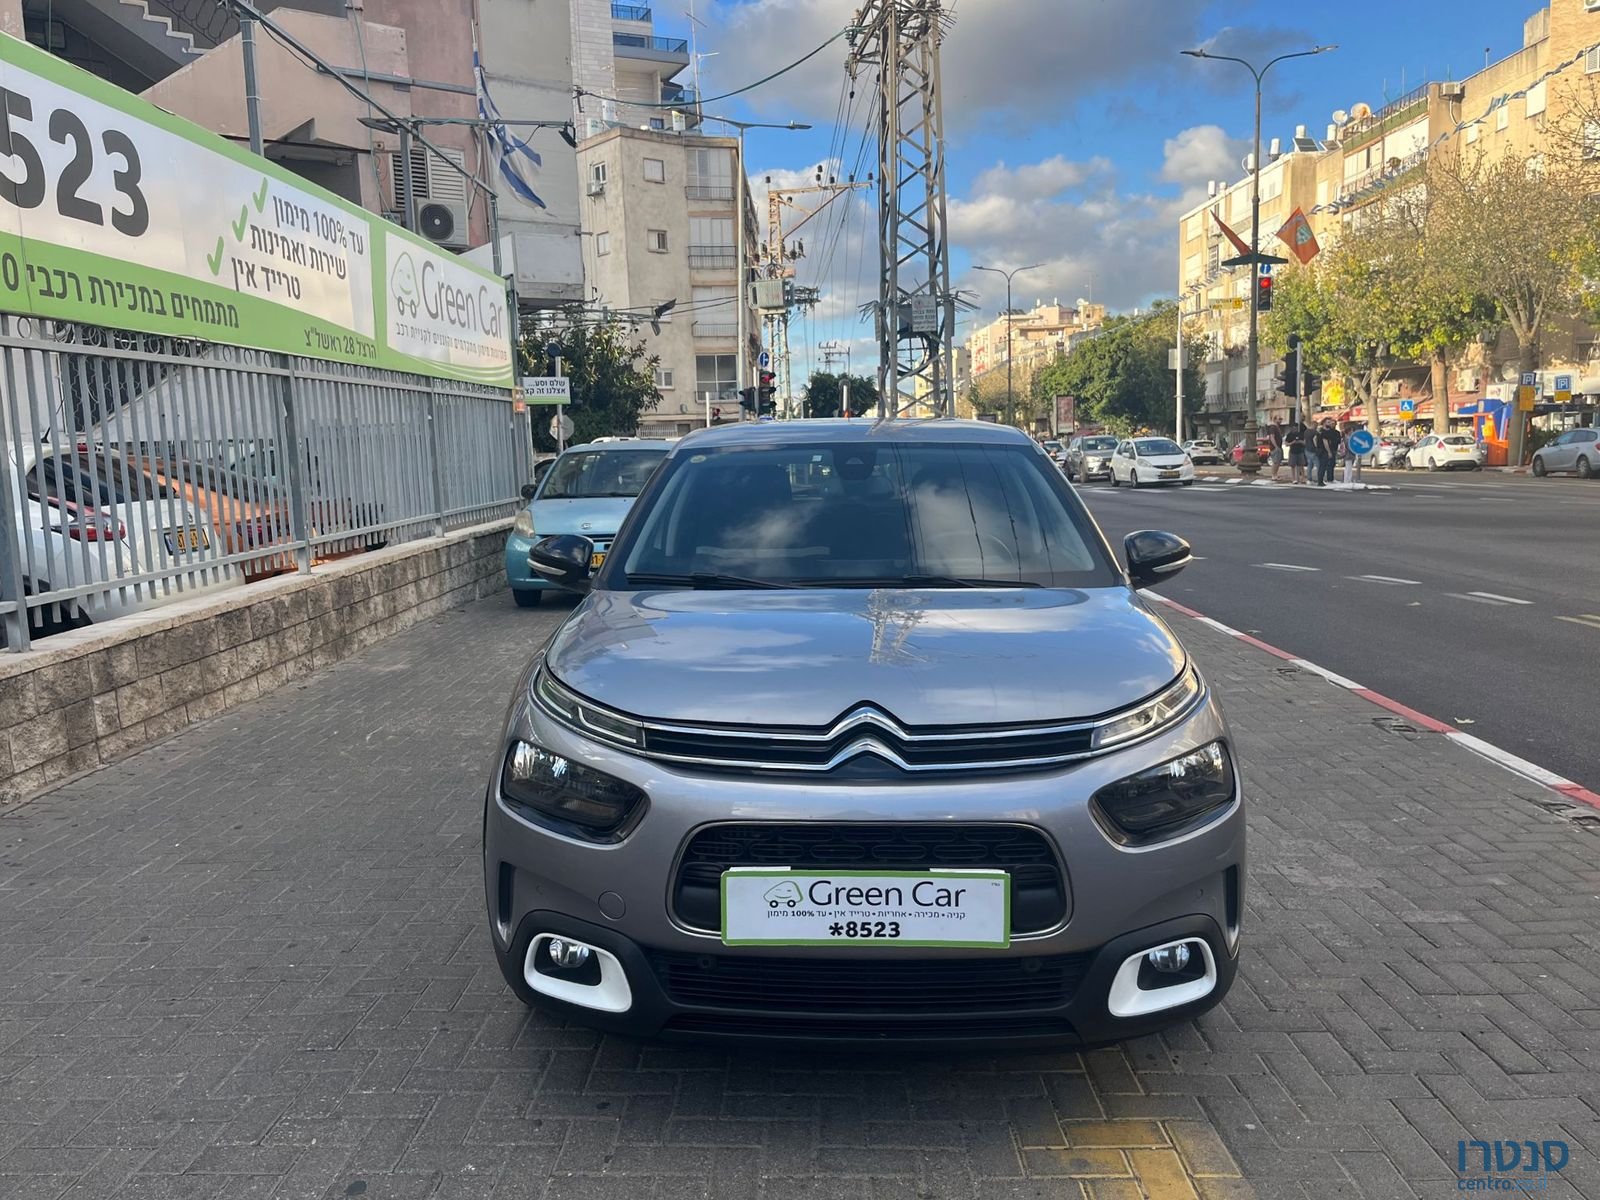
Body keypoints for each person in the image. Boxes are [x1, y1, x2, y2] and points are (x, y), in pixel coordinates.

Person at [1314, 418, 1340, 485]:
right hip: (1323, 451)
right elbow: (1325, 442)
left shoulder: (1320, 431)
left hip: (1320, 450)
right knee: (1323, 466)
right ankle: (1320, 482)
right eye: (1328, 422)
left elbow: (1315, 439)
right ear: (1324, 423)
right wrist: (1329, 452)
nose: (1329, 424)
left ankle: (1320, 480)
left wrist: (1317, 446)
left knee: (1322, 466)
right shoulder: (1324, 432)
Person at [1284, 418, 1308, 484]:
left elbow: (1305, 443)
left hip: (1300, 451)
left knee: (1301, 465)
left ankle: (1303, 478)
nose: (1295, 429)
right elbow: (1286, 444)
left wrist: (1300, 442)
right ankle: (1293, 478)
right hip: (1292, 451)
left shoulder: (1301, 434)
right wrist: (1292, 442)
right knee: (1292, 466)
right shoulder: (1289, 435)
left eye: (1296, 428)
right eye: (1293, 428)